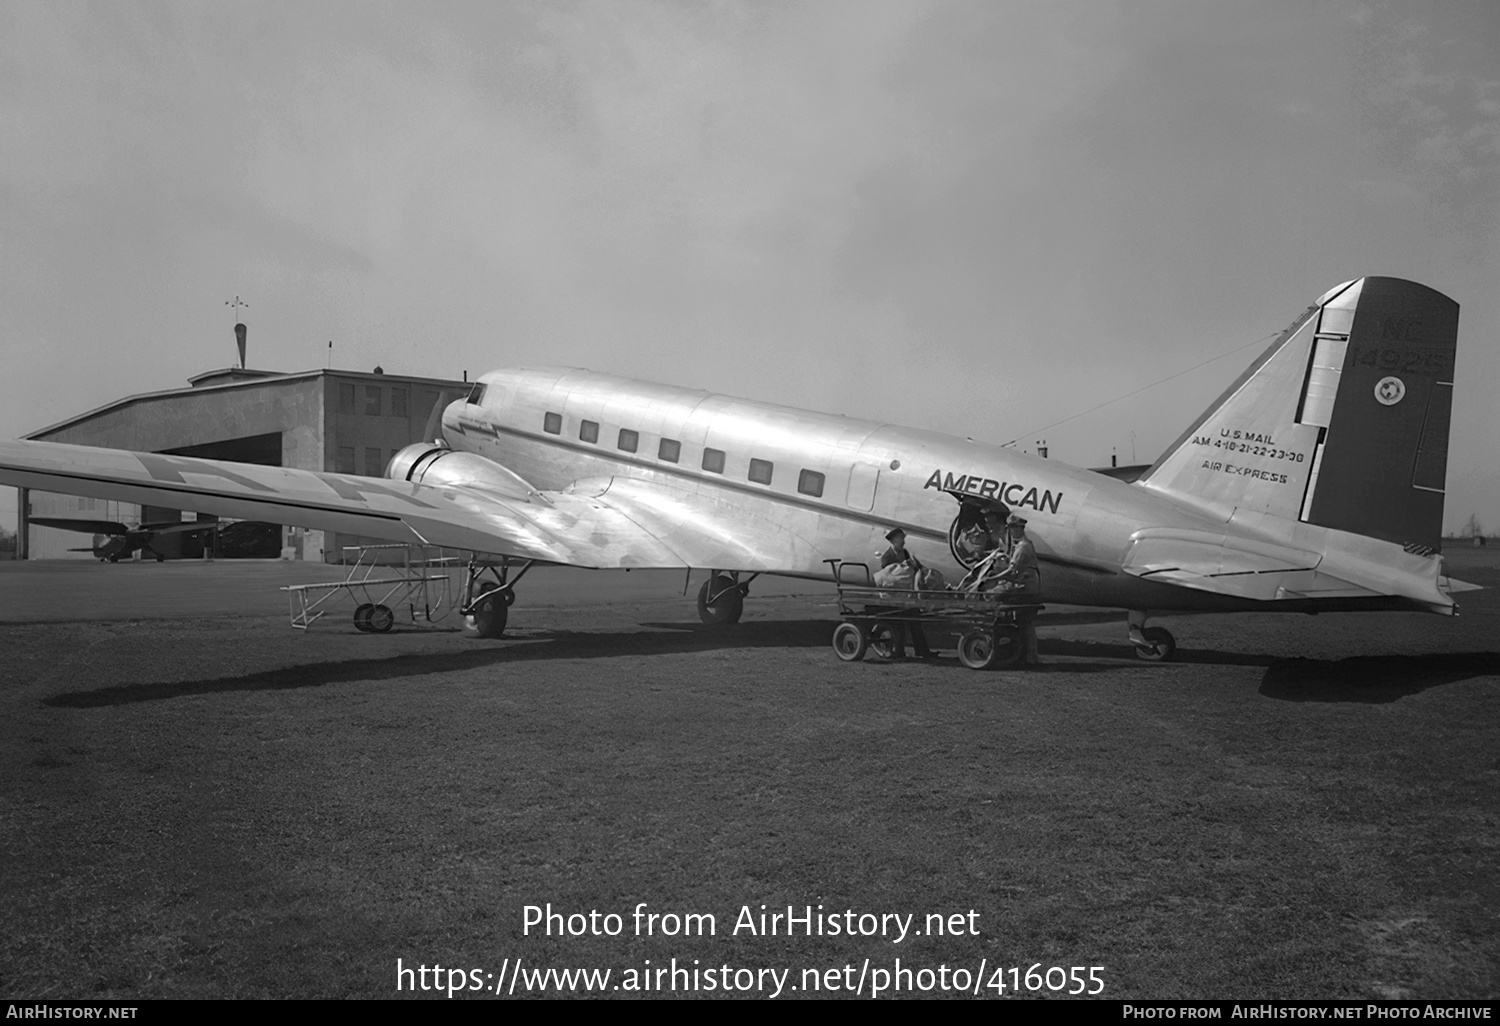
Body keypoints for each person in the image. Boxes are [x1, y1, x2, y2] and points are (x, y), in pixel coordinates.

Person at [878, 528, 936, 660]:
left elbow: (914, 568)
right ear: (893, 541)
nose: (903, 542)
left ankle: (922, 651)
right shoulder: (887, 557)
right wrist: (905, 565)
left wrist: (917, 566)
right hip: (893, 596)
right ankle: (899, 652)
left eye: (903, 539)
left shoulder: (904, 552)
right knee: (899, 624)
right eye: (900, 540)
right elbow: (890, 576)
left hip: (906, 595)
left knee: (916, 621)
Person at [991, 515, 1042, 664]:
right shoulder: (1023, 544)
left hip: (1027, 588)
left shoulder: (1023, 547)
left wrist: (994, 578)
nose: (1011, 532)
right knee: (1024, 622)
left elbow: (1012, 569)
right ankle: (1025, 655)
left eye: (1013, 528)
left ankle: (1026, 656)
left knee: (1021, 620)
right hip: (1028, 586)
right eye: (1010, 529)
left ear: (1020, 529)